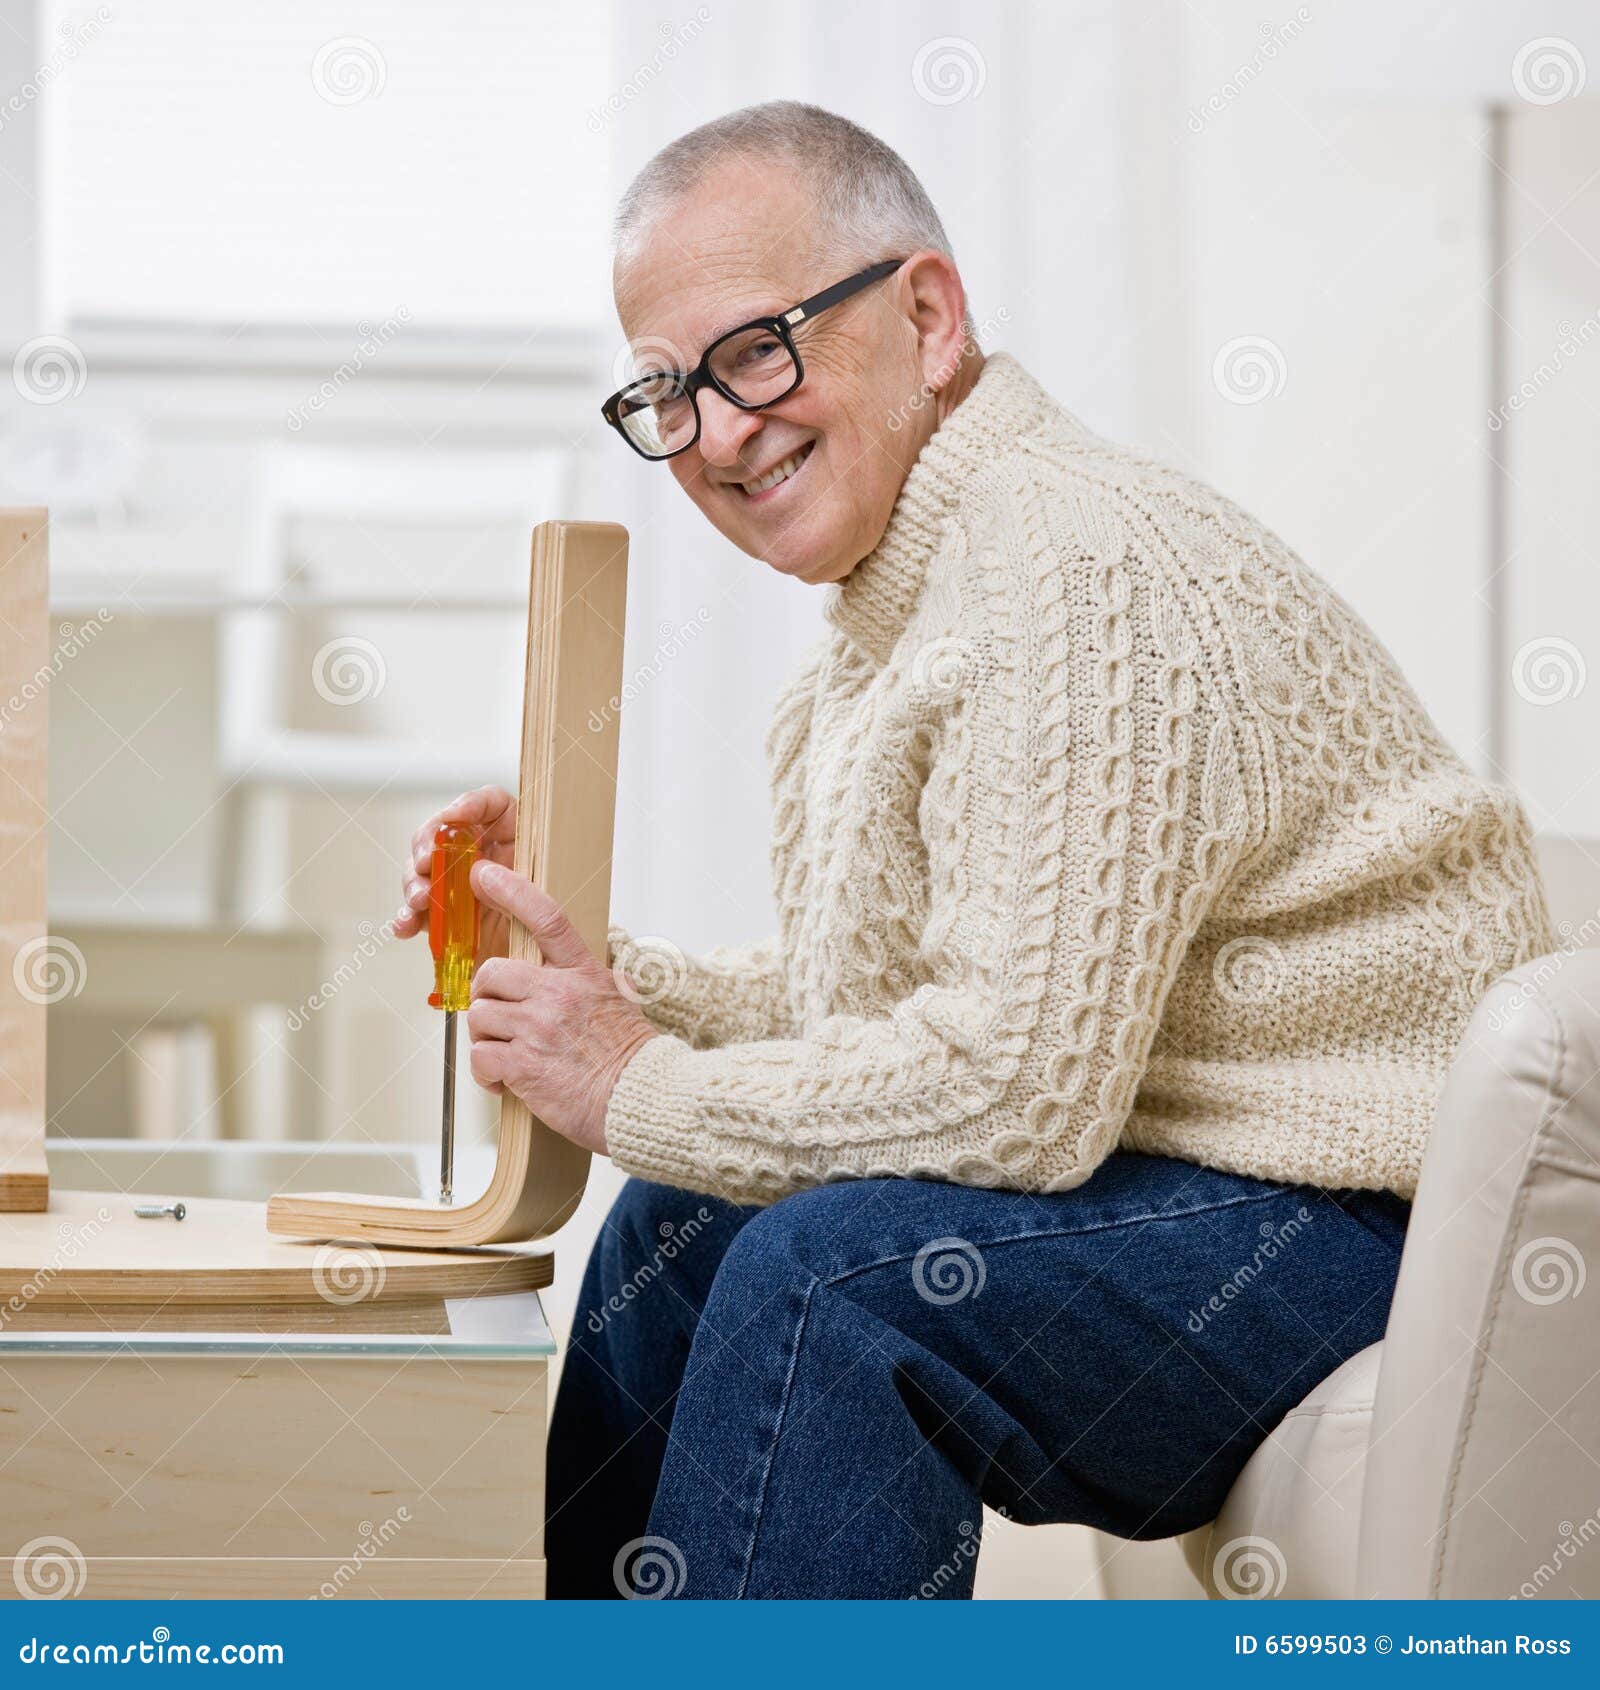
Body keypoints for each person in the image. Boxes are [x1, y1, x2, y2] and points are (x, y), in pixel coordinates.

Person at [395, 102, 1553, 1599]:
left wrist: (631, 1075)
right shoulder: (879, 642)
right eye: (666, 391)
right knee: (676, 1220)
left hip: (1371, 1223)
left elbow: (1011, 1089)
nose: (721, 432)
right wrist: (600, 981)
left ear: (927, 317)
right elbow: (880, 1029)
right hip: (1194, 1181)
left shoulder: (1060, 559)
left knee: (832, 1281)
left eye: (756, 350)